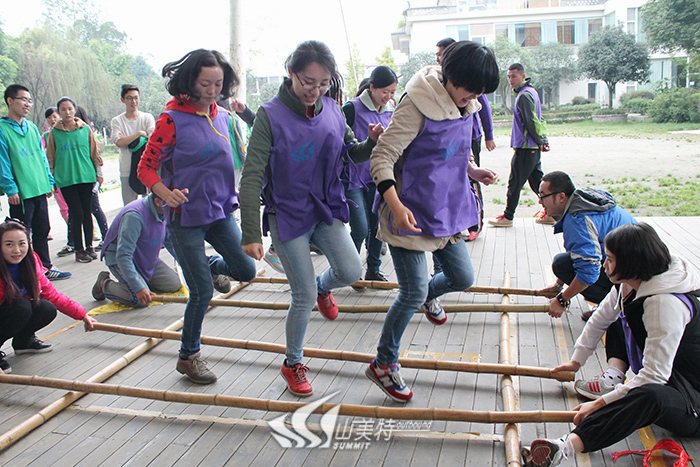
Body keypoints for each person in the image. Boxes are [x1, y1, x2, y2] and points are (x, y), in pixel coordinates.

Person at [239, 40, 382, 397]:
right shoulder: (269, 115)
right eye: (308, 82)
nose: (315, 90)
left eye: (323, 83)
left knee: (351, 271)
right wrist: (251, 232)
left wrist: (371, 143)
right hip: (287, 214)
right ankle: (293, 363)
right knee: (301, 294)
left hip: (325, 207)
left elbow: (351, 152)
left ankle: (323, 286)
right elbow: (251, 176)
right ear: (291, 72)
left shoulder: (332, 108)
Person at [366, 41, 499, 402]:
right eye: (470, 90)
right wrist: (395, 206)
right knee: (411, 292)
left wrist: (472, 169)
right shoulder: (417, 104)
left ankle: (427, 297)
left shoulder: (466, 103)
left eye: (480, 93)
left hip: (447, 207)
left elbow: (453, 152)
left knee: (462, 277)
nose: (474, 98)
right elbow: (382, 157)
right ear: (449, 78)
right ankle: (383, 363)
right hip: (408, 211)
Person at [521, 223, 700, 466]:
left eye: (611, 259)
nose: (604, 264)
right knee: (620, 317)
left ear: (632, 263)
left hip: (691, 401)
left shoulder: (664, 304)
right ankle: (614, 377)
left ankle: (564, 447)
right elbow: (601, 318)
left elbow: (654, 377)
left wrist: (599, 404)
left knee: (649, 395)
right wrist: (576, 361)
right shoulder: (632, 283)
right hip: (671, 377)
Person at [138, 49, 256, 385]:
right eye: (205, 84)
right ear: (190, 82)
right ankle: (188, 356)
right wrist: (165, 193)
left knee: (246, 270)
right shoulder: (170, 120)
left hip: (219, 211)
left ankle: (212, 266)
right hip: (184, 217)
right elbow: (145, 168)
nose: (212, 90)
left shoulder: (223, 117)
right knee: (202, 292)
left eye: (218, 83)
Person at [0, 220, 96, 373]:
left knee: (46, 308)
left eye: (22, 243)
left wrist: (82, 314)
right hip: (9, 310)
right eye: (9, 244)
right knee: (21, 307)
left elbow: (52, 294)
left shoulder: (31, 262)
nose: (17, 250)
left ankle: (23, 342)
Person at [0, 85, 71, 280]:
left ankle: (45, 268)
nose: (27, 104)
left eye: (29, 101)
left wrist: (48, 181)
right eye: (23, 99)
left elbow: (41, 156)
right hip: (21, 192)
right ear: (10, 101)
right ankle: (26, 273)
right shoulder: (2, 129)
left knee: (42, 230)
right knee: (22, 236)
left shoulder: (31, 127)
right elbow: (3, 162)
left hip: (39, 187)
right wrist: (11, 188)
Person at [342, 65, 397, 283]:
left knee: (377, 226)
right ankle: (349, 270)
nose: (388, 96)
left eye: (392, 92)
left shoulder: (391, 108)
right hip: (353, 178)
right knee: (360, 228)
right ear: (372, 87)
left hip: (378, 176)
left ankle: (373, 270)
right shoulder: (351, 108)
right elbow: (340, 142)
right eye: (385, 91)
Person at [91, 193, 182, 306]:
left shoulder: (166, 211)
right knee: (140, 299)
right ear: (158, 202)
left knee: (174, 285)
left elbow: (170, 241)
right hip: (121, 259)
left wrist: (187, 266)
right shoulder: (134, 216)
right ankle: (104, 284)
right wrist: (139, 288)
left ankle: (142, 281)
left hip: (146, 257)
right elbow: (123, 256)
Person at [489, 63, 551, 228]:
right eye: (509, 76)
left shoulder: (524, 96)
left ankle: (508, 216)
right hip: (532, 147)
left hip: (526, 148)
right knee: (537, 183)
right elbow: (539, 119)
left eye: (514, 76)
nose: (511, 79)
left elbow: (532, 121)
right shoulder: (532, 92)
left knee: (515, 183)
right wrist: (542, 140)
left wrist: (541, 140)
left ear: (523, 76)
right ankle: (551, 213)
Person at [46, 96, 104, 264]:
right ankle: (79, 249)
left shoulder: (85, 129)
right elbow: (50, 157)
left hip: (86, 177)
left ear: (75, 109)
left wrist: (99, 173)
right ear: (59, 112)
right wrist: (52, 179)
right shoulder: (54, 133)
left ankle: (89, 247)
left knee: (87, 213)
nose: (67, 112)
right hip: (66, 179)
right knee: (76, 213)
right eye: (63, 109)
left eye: (70, 108)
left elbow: (94, 153)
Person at [111, 84, 156, 205]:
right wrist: (139, 133)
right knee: (129, 207)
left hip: (147, 166)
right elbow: (119, 142)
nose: (133, 101)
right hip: (127, 169)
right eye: (129, 98)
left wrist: (127, 138)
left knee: (151, 205)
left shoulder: (147, 117)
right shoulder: (117, 121)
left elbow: (152, 138)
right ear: (123, 100)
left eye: (136, 97)